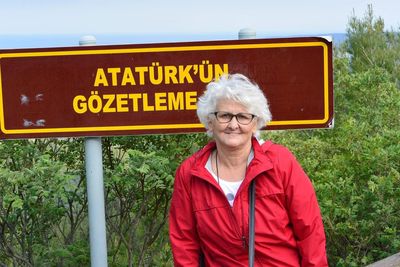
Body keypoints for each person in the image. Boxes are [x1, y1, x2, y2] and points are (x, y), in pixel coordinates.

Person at [169, 73, 328, 266]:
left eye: (243, 117)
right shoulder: (190, 173)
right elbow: (184, 245)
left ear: (255, 123)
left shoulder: (280, 163)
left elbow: (310, 232)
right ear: (210, 121)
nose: (233, 125)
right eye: (225, 115)